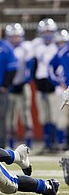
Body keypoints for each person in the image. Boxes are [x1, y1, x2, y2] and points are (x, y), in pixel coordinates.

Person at [31, 18, 59, 153]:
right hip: (40, 86)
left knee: (56, 116)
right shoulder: (36, 46)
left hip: (55, 87)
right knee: (44, 117)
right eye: (45, 31)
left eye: (50, 31)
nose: (47, 34)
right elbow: (33, 65)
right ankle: (48, 143)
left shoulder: (58, 46)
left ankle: (57, 143)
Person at [4, 23, 34, 149]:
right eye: (12, 37)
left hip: (23, 85)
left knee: (26, 114)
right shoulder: (5, 49)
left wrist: (27, 79)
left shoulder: (26, 48)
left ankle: (29, 144)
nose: (15, 39)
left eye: (17, 36)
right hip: (10, 87)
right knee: (10, 116)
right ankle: (11, 144)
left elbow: (30, 66)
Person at [48, 29, 69, 151]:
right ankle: (63, 142)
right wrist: (58, 82)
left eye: (63, 42)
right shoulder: (61, 52)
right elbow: (51, 68)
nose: (61, 44)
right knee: (62, 119)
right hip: (66, 89)